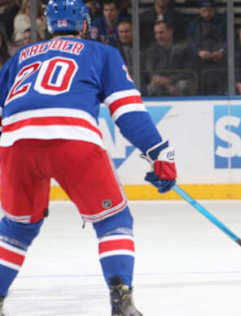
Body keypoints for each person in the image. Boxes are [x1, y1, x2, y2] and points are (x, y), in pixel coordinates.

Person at [0, 0, 177, 315]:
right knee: (113, 220)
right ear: (84, 24)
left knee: (17, 226)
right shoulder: (100, 53)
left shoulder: (19, 58)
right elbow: (127, 110)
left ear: (49, 24)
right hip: (73, 139)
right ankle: (121, 299)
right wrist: (158, 153)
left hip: (16, 143)